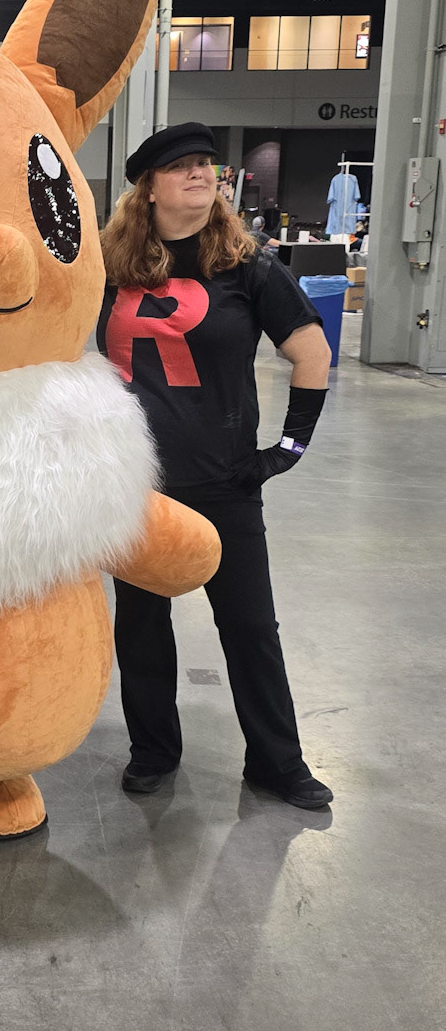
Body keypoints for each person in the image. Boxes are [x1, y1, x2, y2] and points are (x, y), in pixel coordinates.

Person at [98, 121, 333, 812]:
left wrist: (288, 449)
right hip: (136, 485)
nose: (200, 173)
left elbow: (312, 353)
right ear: (149, 189)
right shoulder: (108, 266)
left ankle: (277, 762)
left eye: (205, 163)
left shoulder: (247, 263)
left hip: (226, 482)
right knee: (141, 627)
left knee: (251, 627)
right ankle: (153, 751)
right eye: (181, 166)